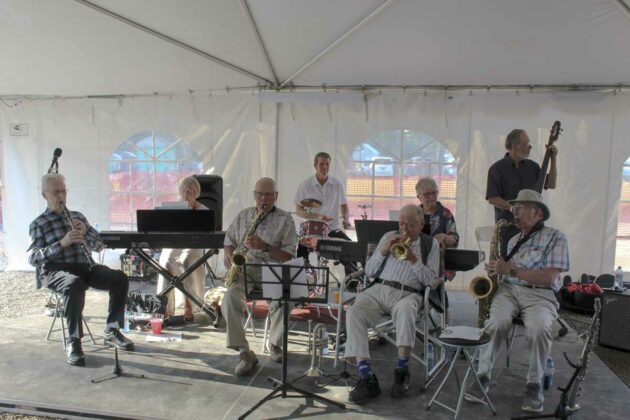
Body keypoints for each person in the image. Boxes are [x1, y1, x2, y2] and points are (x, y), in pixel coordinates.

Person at [468, 189, 569, 413]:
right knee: (496, 323)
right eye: (514, 208)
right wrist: (497, 271)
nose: (514, 212)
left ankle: (534, 384)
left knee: (540, 328)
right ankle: (482, 375)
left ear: (538, 214)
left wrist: (511, 269)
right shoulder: (513, 238)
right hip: (508, 291)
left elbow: (549, 277)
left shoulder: (556, 237)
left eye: (520, 208)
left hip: (541, 294)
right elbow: (508, 274)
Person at [28, 173, 134, 366]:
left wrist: (85, 233)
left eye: (63, 191)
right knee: (73, 284)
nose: (61, 196)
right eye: (56, 192)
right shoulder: (39, 224)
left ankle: (112, 329)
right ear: (45, 195)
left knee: (119, 278)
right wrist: (62, 243)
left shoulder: (77, 216)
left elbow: (99, 246)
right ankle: (74, 341)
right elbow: (33, 258)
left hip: (84, 266)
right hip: (54, 270)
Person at [344, 204, 440, 404]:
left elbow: (430, 280)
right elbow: (369, 271)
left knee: (406, 311)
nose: (404, 229)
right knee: (354, 312)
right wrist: (385, 250)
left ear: (421, 224)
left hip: (409, 293)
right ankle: (366, 376)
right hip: (379, 289)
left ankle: (402, 370)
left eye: (410, 225)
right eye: (401, 223)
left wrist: (413, 259)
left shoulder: (431, 245)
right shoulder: (388, 236)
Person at [222, 177, 298, 376]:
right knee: (229, 296)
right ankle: (244, 352)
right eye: (259, 194)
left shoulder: (285, 219)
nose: (263, 198)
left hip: (272, 268)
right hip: (245, 268)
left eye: (268, 194)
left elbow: (289, 254)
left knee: (284, 299)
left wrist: (264, 246)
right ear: (254, 195)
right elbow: (228, 241)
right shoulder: (243, 215)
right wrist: (229, 255)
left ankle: (275, 344)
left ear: (276, 197)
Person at [486, 129, 558, 257]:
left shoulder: (533, 167)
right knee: (508, 264)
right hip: (509, 228)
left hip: (534, 228)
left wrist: (553, 159)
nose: (530, 147)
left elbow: (551, 184)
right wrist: (514, 208)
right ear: (515, 146)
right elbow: (492, 198)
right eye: (526, 144)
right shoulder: (497, 169)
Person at [156, 176, 208, 322]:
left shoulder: (203, 210)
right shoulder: (174, 208)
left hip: (194, 244)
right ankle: (165, 306)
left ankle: (188, 305)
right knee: (166, 260)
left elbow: (205, 233)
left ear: (196, 193)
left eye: (190, 191)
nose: (186, 194)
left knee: (185, 262)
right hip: (176, 242)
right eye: (184, 191)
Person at [294, 152, 353, 271]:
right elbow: (299, 211)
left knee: (351, 249)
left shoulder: (337, 184)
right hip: (311, 230)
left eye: (327, 164)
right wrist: (317, 216)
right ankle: (303, 282)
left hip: (331, 229)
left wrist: (346, 219)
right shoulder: (306, 185)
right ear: (315, 165)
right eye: (321, 164)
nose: (325, 167)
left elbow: (344, 205)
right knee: (300, 254)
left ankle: (351, 284)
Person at [415, 176, 459, 321]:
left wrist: (446, 238)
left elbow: (455, 239)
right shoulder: (414, 213)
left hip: (438, 261)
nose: (431, 197)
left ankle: (443, 319)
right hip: (417, 258)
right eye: (427, 194)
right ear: (419, 197)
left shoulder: (445, 214)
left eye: (434, 193)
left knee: (437, 282)